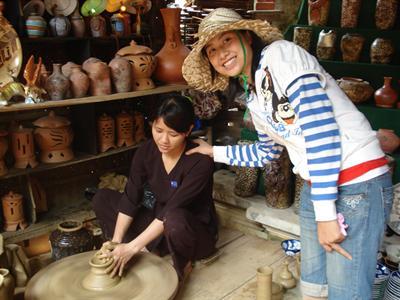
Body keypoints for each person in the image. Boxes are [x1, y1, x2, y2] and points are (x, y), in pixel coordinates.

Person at [182, 8, 393, 300]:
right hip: (317, 184)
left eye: (227, 41)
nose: (221, 54)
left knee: (347, 292)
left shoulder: (281, 56)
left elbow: (322, 132)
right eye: (212, 50)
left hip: (357, 182)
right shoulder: (254, 96)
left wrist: (326, 215)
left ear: (246, 36)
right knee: (314, 281)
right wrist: (212, 151)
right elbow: (267, 152)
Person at [92, 94, 218, 281]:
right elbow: (131, 197)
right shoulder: (146, 152)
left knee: (173, 218)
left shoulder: (200, 162)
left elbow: (172, 208)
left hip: (189, 231)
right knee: (102, 198)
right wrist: (115, 241)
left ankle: (178, 266)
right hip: (157, 221)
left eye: (173, 134)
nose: (163, 140)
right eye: (158, 130)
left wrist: (132, 247)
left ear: (188, 130)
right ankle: (144, 248)